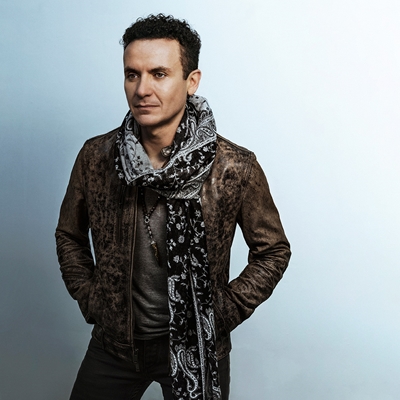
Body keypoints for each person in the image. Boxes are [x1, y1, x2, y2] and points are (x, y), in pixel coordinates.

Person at [55, 13, 291, 400]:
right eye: (132, 75)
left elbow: (273, 250)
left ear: (191, 81)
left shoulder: (234, 166)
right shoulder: (96, 157)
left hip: (197, 348)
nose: (142, 89)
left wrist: (222, 313)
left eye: (159, 74)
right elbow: (70, 235)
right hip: (115, 347)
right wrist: (93, 299)